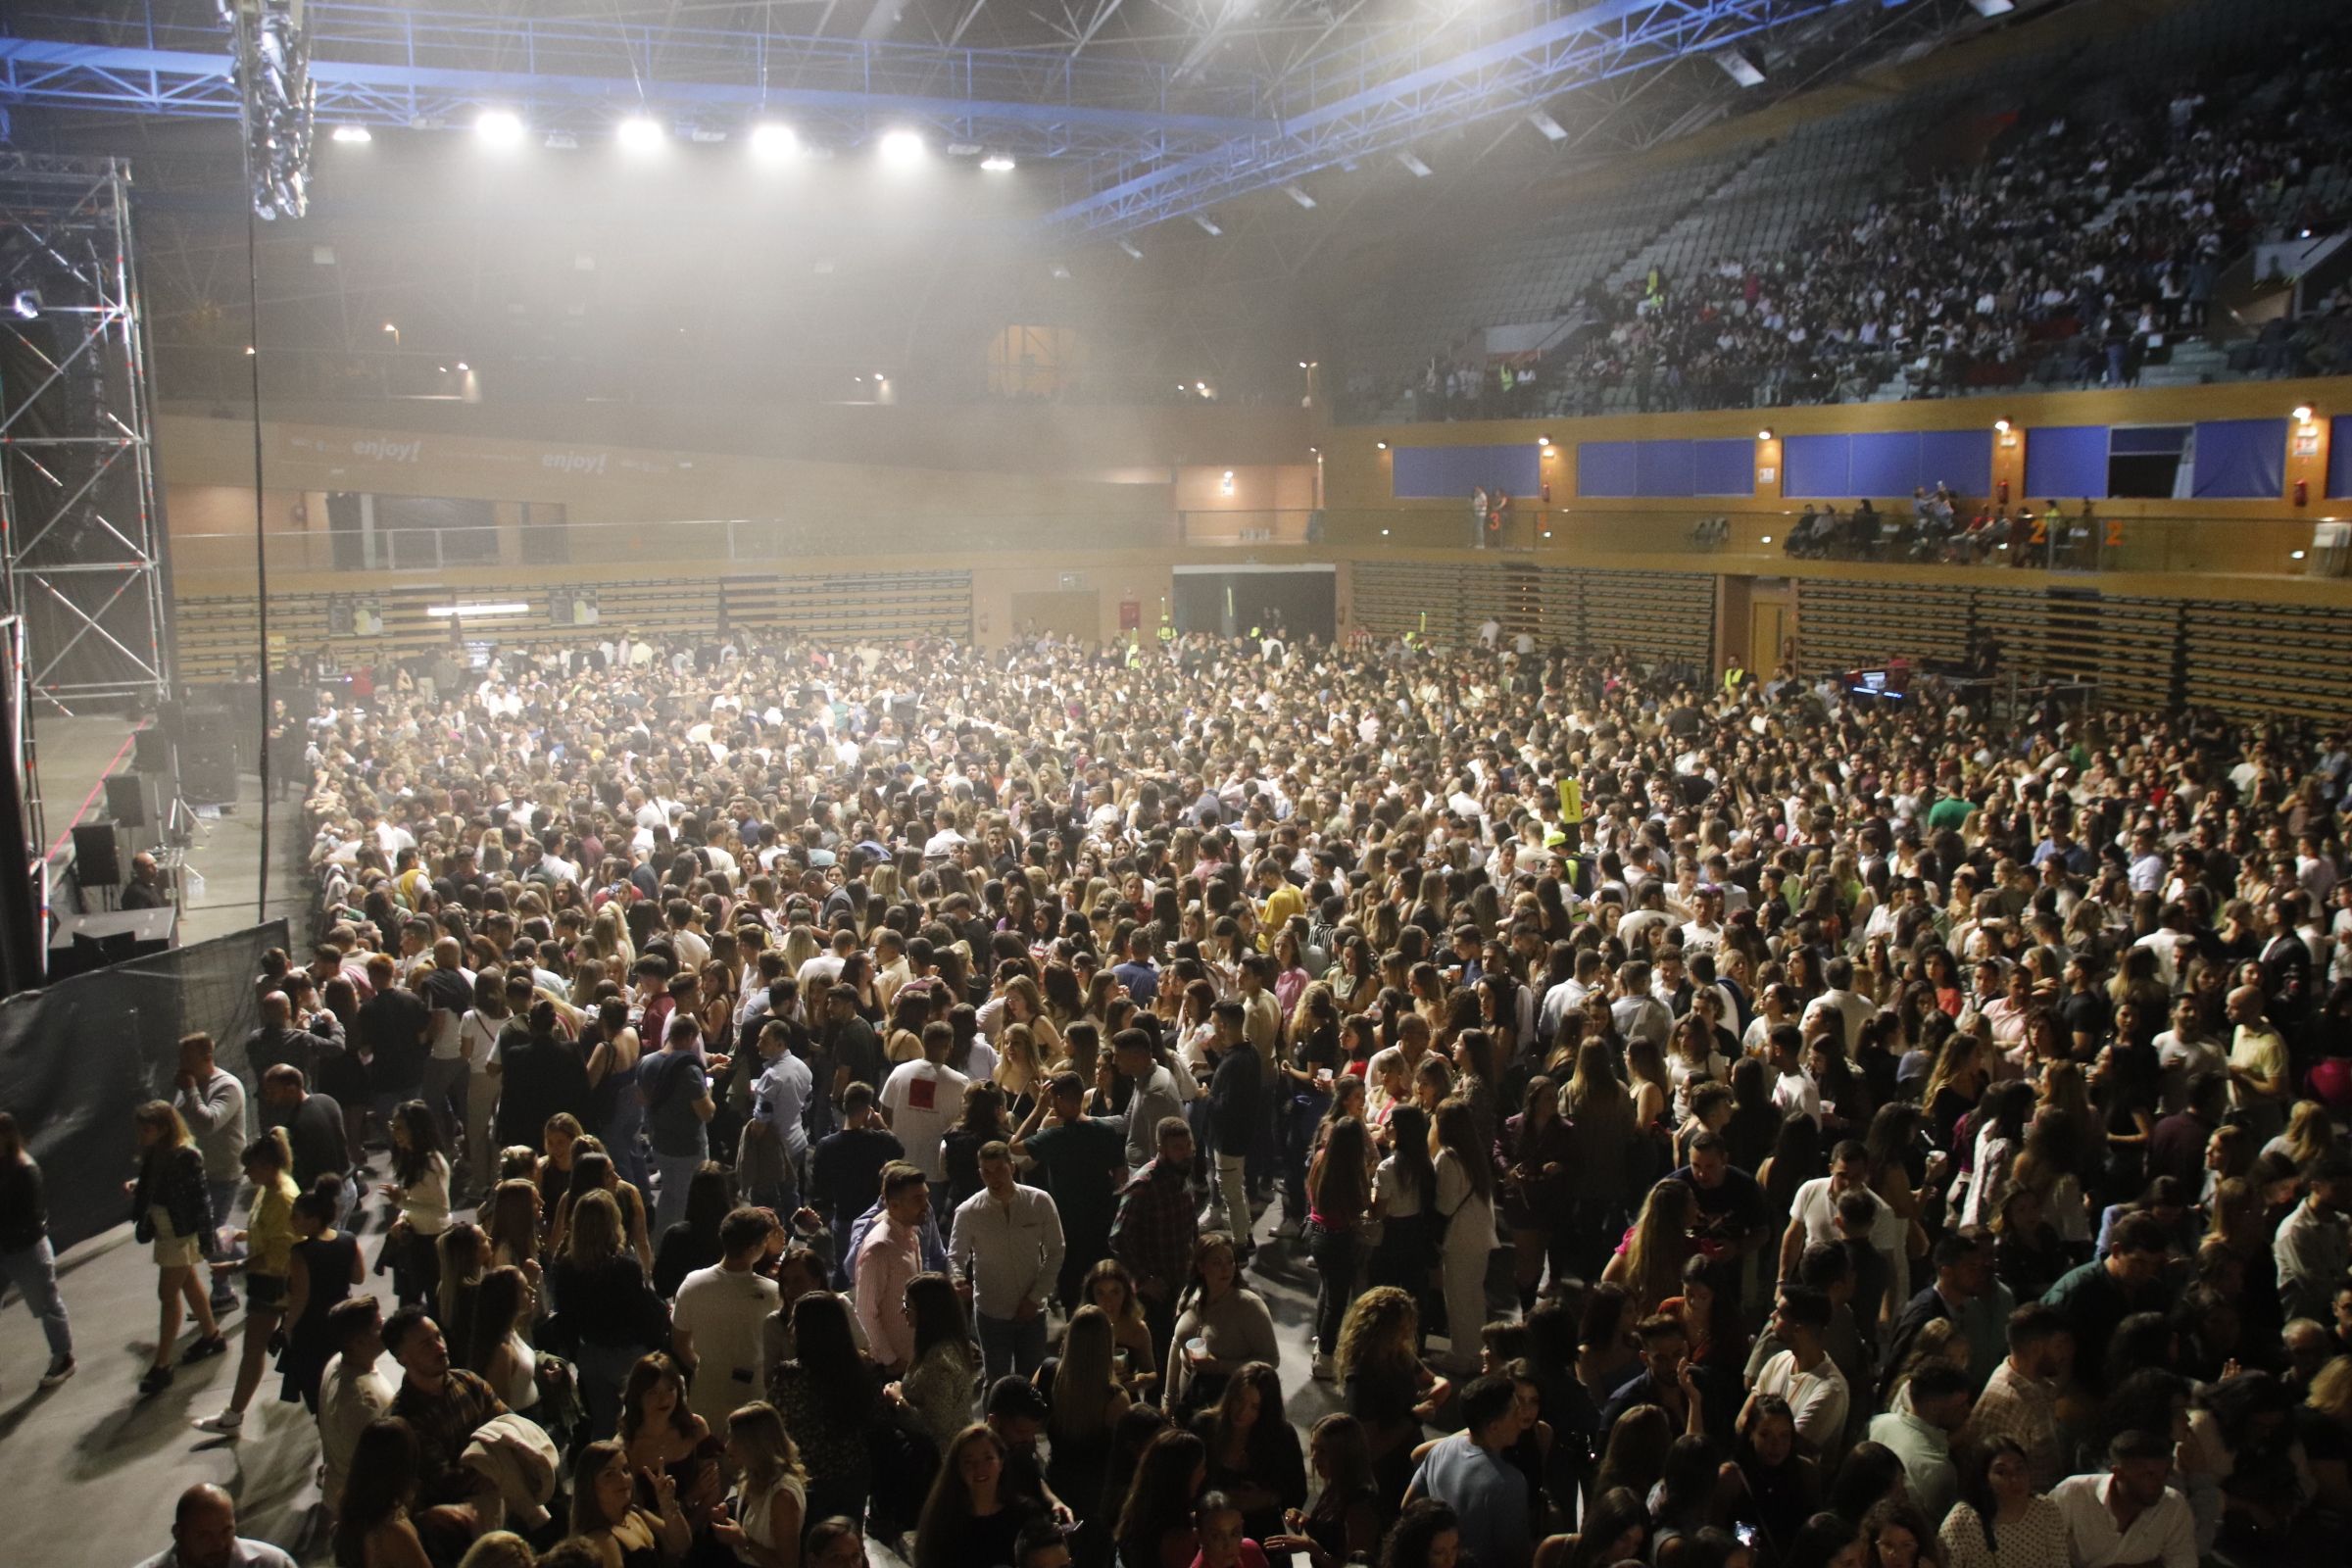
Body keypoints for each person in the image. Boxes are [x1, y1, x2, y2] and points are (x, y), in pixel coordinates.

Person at [950, 1138, 1064, 1383]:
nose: (994, 1178)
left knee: (1033, 1379)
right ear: (980, 1173)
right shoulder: (969, 1211)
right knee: (996, 1378)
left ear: (1012, 1167)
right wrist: (958, 1278)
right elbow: (956, 1256)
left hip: (1033, 1311)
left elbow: (1056, 1251)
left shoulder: (1039, 1201)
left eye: (999, 1170)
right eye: (986, 1172)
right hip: (991, 1312)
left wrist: (1035, 1298)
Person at [130, 1098, 223, 1395]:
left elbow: (202, 1201)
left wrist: (208, 1241)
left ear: (162, 1128)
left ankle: (162, 1365)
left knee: (167, 1294)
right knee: (188, 1283)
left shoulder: (186, 1155)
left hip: (180, 1234)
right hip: (166, 1229)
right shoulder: (157, 1153)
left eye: (147, 1129)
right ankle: (211, 1335)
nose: (141, 1135)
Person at [1015, 1070, 1129, 1310]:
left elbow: (1012, 1147)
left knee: (1070, 1285)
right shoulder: (1105, 1131)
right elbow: (1121, 1174)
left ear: (1058, 1099)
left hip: (1066, 1222)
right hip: (1101, 1219)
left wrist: (1037, 1110)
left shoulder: (1054, 1137)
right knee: (1102, 1280)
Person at [1404, 1374, 1536, 1568]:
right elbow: (1516, 1558)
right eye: (1515, 1412)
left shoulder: (1440, 1451)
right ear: (1493, 1426)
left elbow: (1408, 1507)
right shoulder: (1508, 1482)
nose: (1521, 1417)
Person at [673, 1206, 785, 1430]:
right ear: (754, 1248)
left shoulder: (692, 1283)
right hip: (753, 1391)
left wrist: (703, 1367)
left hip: (706, 1388)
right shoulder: (772, 1291)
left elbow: (679, 1342)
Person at [1114, 1116, 1201, 1372]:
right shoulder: (1143, 1185)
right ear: (1161, 1149)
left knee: (1182, 1351)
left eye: (1188, 1146)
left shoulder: (1181, 1174)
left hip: (1181, 1281)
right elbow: (1118, 1237)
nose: (1186, 1153)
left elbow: (1189, 1224)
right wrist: (1143, 1279)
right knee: (1158, 1359)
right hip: (1155, 1293)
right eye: (1178, 1148)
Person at [173, 1031, 250, 1321]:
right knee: (215, 1232)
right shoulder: (188, 1086)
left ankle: (225, 1292)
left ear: (207, 1058)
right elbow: (181, 1120)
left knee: (212, 1234)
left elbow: (209, 1123)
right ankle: (251, 1265)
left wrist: (191, 1091)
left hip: (224, 1172)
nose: (182, 1064)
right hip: (200, 1173)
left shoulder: (227, 1086)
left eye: (187, 1058)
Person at [0, 1110, 74, 1390]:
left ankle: (63, 1358)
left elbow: (29, 1218)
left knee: (47, 1305)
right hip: (7, 1247)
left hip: (26, 1249)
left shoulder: (24, 1169)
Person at [2046, 1431, 2196, 1568]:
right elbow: (2041, 1553)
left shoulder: (2173, 1505)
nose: (2159, 1483)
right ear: (2118, 1473)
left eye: (2164, 1474)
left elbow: (2183, 1562)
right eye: (2148, 1475)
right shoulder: (2073, 1493)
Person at [1167, 1232, 1280, 1414]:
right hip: (1188, 1399)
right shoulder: (1190, 1294)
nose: (1226, 1269)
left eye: (1230, 1261)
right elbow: (1177, 1344)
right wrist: (1169, 1400)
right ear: (1201, 1267)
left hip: (1226, 1405)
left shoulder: (1249, 1306)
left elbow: (1271, 1360)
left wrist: (1219, 1366)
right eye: (1217, 1263)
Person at [914, 1424, 1036, 1568]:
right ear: (958, 1468)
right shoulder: (944, 1522)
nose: (980, 1468)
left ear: (1001, 1462)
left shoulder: (1025, 1514)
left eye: (988, 1458)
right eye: (969, 1462)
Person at [318, 1298, 394, 1529]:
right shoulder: (361, 1403)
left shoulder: (336, 1363)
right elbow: (373, 1467)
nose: (385, 1329)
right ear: (359, 1341)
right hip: (364, 1509)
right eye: (378, 1327)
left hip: (339, 1492)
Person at [1936, 1439, 2068, 1568]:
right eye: (2001, 1472)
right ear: (1985, 1479)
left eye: (2019, 1469)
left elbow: (2060, 1563)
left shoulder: (2046, 1509)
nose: (2014, 1478)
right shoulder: (1963, 1520)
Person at [643, 1015, 718, 1240]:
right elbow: (707, 1112)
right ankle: (680, 1247)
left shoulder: (647, 1062)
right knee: (687, 1201)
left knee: (668, 1195)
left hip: (659, 1143)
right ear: (689, 1038)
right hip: (687, 1147)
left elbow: (641, 1099)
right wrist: (709, 1090)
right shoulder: (689, 1070)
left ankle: (659, 1242)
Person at [854, 1161, 930, 1373]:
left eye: (926, 1197)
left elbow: (904, 1298)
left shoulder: (911, 1235)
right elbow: (866, 1312)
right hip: (891, 1367)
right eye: (918, 1199)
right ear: (894, 1205)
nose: (926, 1205)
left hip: (911, 1358)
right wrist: (890, 1359)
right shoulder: (879, 1248)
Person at [569, 1437, 692, 1567]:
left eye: (625, 1470)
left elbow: (681, 1544)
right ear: (589, 1486)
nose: (623, 1478)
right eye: (609, 1474)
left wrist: (668, 1505)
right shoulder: (600, 1539)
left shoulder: (633, 1513)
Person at [712, 1401, 807, 1568]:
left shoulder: (783, 1497)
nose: (728, 1447)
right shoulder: (754, 1475)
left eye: (734, 1440)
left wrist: (742, 1541)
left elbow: (788, 1564)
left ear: (755, 1445)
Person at [136, 1483, 299, 1568]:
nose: (219, 1544)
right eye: (205, 1535)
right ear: (178, 1533)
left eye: (226, 1531)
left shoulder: (274, 1564)